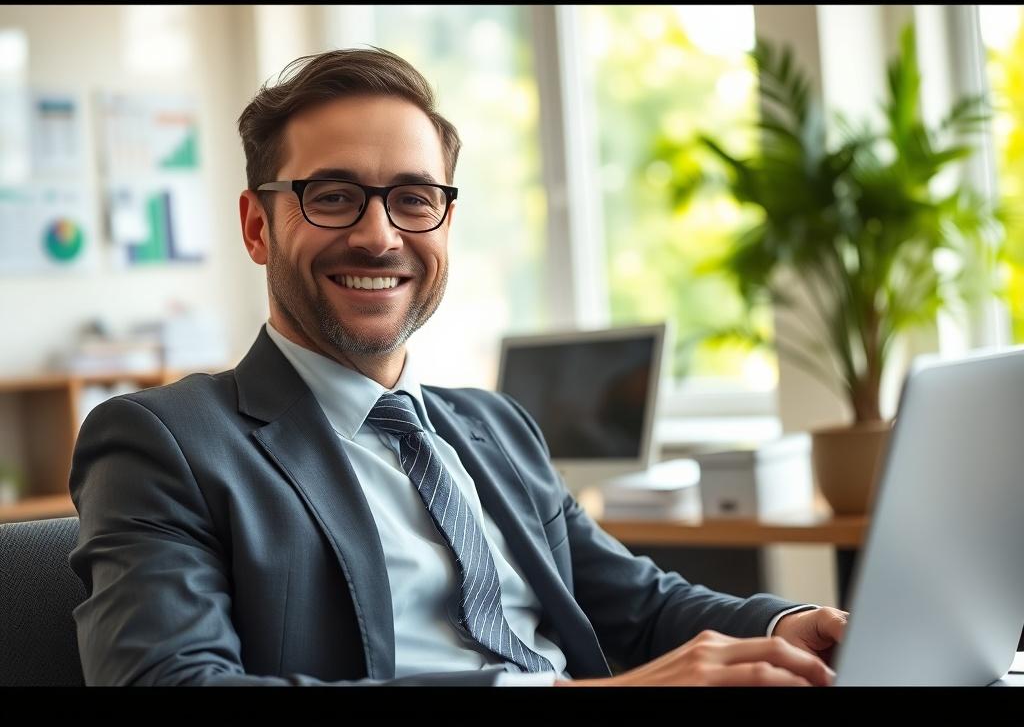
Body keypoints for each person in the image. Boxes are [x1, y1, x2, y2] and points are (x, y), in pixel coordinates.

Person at [69, 47, 847, 687]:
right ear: (256, 227)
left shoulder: (495, 425)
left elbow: (641, 606)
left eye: (414, 198)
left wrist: (792, 628)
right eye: (333, 196)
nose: (379, 236)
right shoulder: (162, 443)